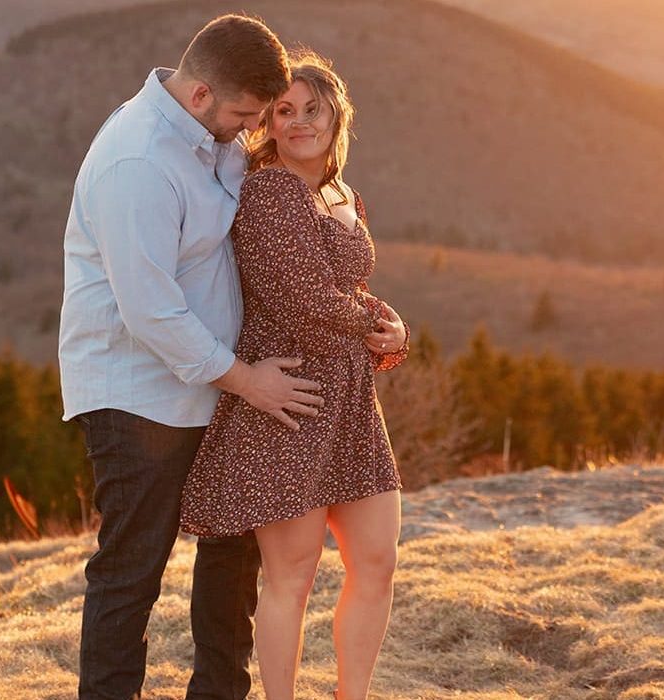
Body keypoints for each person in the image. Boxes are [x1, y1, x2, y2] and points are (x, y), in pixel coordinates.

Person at [58, 14, 382, 700]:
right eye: (246, 114)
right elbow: (150, 309)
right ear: (202, 94)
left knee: (231, 564)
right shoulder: (138, 159)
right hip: (138, 393)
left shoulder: (211, 137)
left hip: (226, 386)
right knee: (133, 570)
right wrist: (247, 381)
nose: (253, 129)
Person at [179, 51, 410, 700]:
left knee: (378, 562)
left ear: (339, 118)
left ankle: (350, 695)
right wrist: (376, 324)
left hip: (353, 405)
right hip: (291, 400)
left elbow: (351, 290)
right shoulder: (271, 190)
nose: (301, 121)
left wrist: (393, 333)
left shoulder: (340, 195)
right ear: (270, 125)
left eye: (314, 109)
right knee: (292, 577)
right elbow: (306, 301)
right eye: (286, 111)